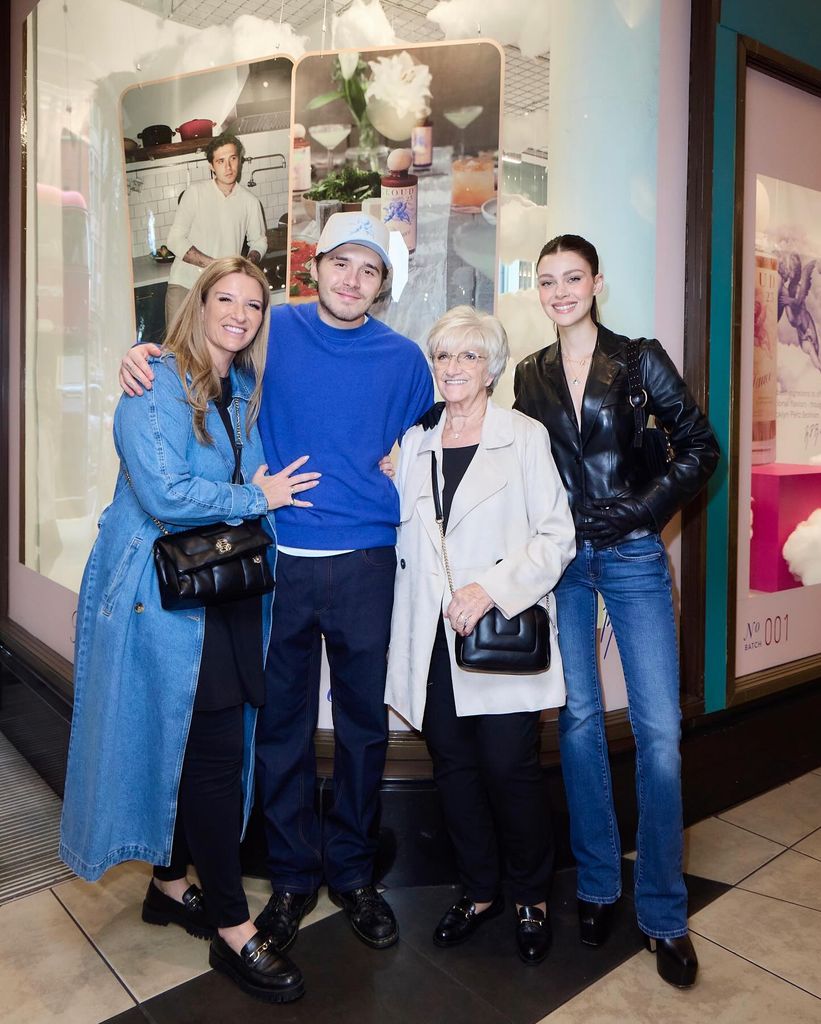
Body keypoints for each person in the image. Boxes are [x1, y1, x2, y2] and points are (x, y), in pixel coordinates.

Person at [119, 213, 434, 953]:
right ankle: (292, 877)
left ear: (382, 284)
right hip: (277, 560)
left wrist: (405, 460)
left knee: (362, 729)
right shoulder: (269, 331)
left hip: (364, 561)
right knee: (282, 729)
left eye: (368, 269)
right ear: (313, 267)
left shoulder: (405, 359)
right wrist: (140, 356)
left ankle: (353, 873)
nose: (351, 280)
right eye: (339, 264)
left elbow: (429, 434)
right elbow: (202, 357)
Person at [60, 257, 321, 1004]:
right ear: (198, 305)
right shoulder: (152, 385)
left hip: (228, 593)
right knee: (209, 756)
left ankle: (169, 886)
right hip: (165, 599)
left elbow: (271, 470)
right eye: (225, 299)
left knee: (198, 744)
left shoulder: (242, 388)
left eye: (253, 303)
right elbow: (167, 492)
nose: (239, 313)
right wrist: (253, 495)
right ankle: (235, 931)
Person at [513, 234, 719, 987]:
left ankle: (663, 912)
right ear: (537, 289)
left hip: (631, 552)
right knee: (574, 722)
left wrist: (637, 507)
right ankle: (597, 885)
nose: (561, 290)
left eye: (573, 277)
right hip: (563, 560)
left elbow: (699, 447)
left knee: (659, 733)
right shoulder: (529, 374)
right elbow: (515, 462)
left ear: (596, 281)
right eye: (547, 280)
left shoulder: (637, 358)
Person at [385, 307, 575, 964]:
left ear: (491, 368)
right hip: (430, 636)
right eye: (443, 356)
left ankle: (530, 894)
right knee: (455, 770)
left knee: (509, 768)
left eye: (468, 357)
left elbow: (557, 537)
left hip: (494, 631)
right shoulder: (415, 442)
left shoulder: (522, 437)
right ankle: (478, 889)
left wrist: (487, 588)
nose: (454, 369)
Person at [165, 133, 267, 326]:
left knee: (213, 352)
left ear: (240, 161)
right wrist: (214, 266)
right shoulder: (194, 193)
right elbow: (174, 240)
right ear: (212, 166)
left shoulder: (250, 202)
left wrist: (247, 263)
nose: (228, 167)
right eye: (221, 161)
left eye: (233, 159)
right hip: (185, 285)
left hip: (223, 291)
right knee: (177, 351)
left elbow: (259, 241)